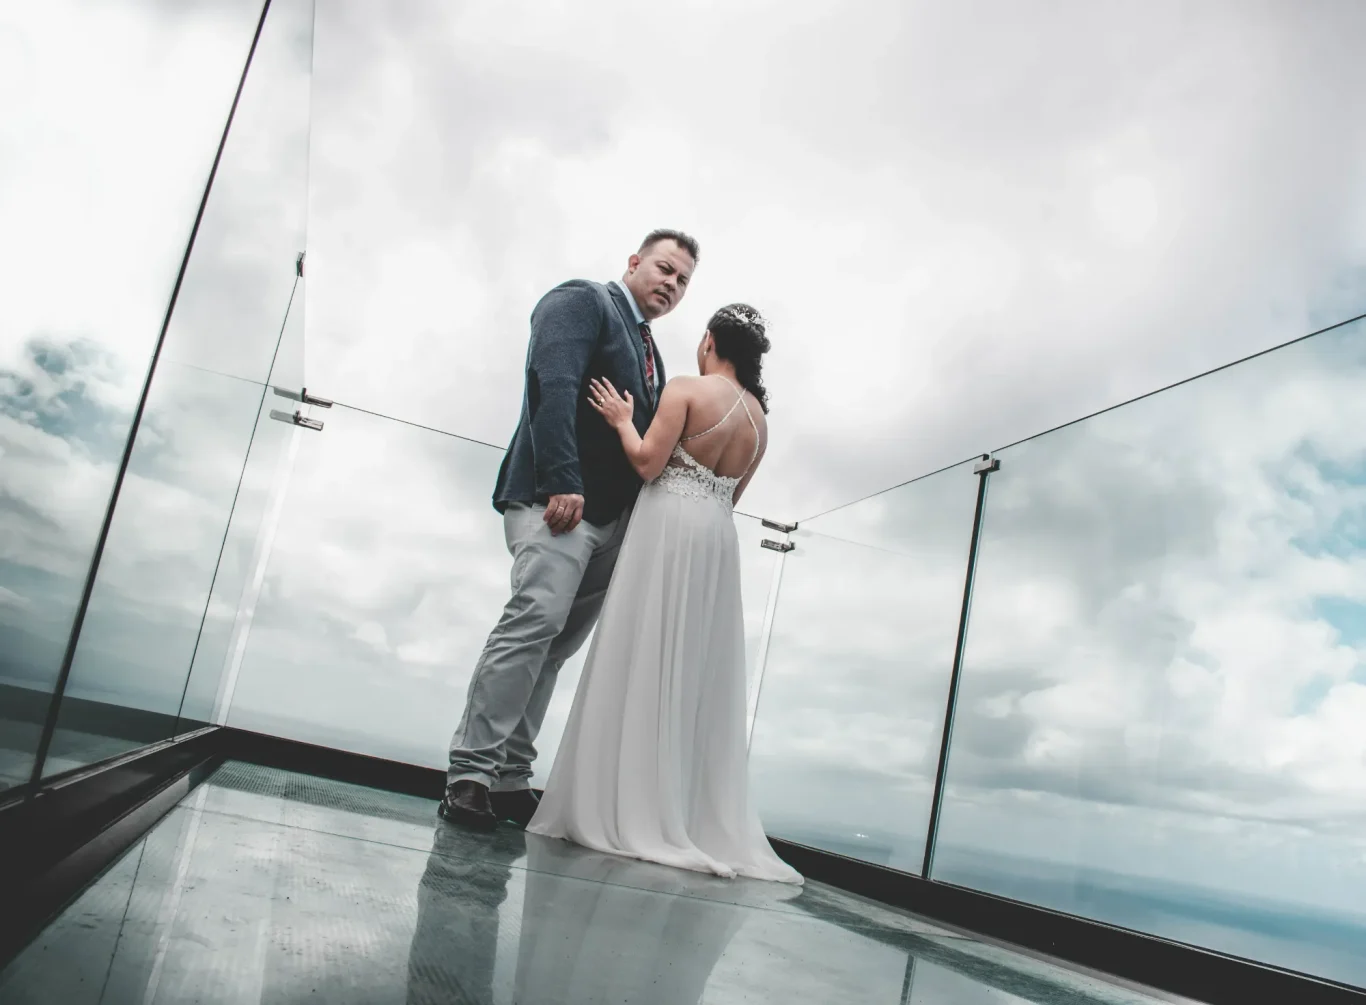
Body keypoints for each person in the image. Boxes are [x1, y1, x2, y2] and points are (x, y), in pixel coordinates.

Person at [526, 304, 803, 885]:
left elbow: (650, 465)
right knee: (691, 667)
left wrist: (624, 418)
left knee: (643, 647)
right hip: (714, 541)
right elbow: (732, 498)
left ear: (709, 342)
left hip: (667, 527)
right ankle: (680, 810)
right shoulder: (759, 420)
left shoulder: (685, 389)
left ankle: (624, 800)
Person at [440, 230, 700, 831]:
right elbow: (550, 385)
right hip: (558, 504)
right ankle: (471, 775)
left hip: (612, 524)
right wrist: (563, 479)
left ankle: (509, 778)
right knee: (531, 626)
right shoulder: (583, 299)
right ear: (634, 262)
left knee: (554, 650)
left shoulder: (651, 351)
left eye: (683, 280)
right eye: (664, 269)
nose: (671, 284)